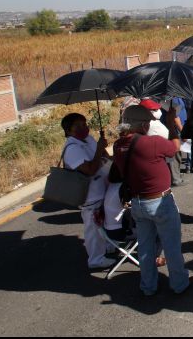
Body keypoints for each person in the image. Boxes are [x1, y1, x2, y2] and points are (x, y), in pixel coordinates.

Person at [113, 105, 193, 296]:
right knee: (171, 245)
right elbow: (176, 146)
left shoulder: (118, 145)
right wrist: (171, 122)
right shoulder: (151, 143)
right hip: (159, 202)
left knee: (146, 247)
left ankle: (148, 285)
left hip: (137, 202)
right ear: (142, 125)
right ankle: (179, 284)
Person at [60, 113, 115, 270]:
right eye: (78, 126)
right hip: (89, 195)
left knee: (104, 220)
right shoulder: (72, 149)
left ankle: (107, 247)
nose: (84, 128)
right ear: (68, 130)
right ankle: (95, 259)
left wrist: (103, 150)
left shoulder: (89, 139)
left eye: (84, 124)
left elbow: (103, 158)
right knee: (93, 227)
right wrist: (99, 149)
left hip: (102, 188)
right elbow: (89, 169)